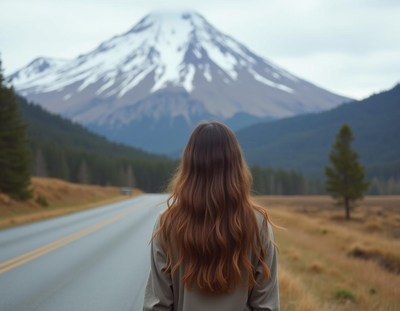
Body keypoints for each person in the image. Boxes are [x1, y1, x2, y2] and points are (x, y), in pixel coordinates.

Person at [143, 121, 279, 311]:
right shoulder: (258, 223)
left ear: (189, 165)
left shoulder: (167, 223)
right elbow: (266, 306)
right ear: (236, 165)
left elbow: (158, 305)